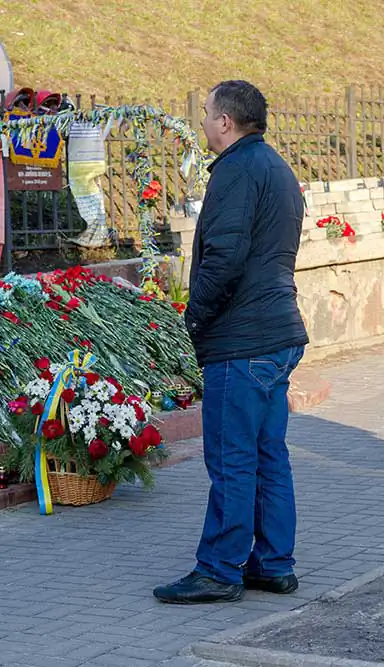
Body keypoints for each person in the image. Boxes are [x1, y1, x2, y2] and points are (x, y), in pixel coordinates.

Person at [153, 80, 309, 604]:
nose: (202, 122)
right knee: (268, 455)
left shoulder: (238, 170)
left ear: (225, 121)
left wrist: (194, 317)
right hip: (276, 333)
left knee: (232, 459)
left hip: (242, 340)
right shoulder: (275, 166)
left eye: (206, 113)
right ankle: (273, 563)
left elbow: (225, 256)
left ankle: (219, 569)